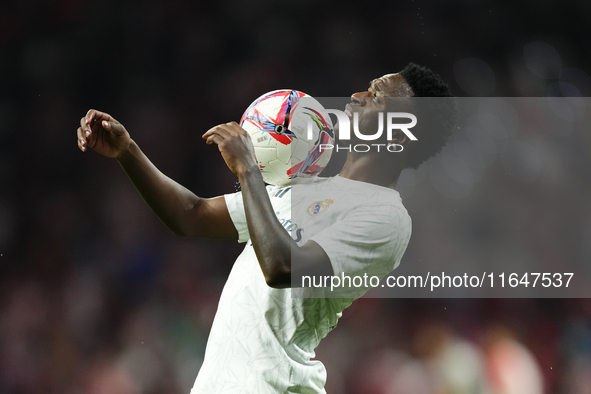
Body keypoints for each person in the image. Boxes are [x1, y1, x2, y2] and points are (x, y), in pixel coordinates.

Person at [76, 63, 457, 393]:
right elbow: (190, 215)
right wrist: (128, 152)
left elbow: (283, 269)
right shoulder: (305, 184)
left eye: (376, 96)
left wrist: (249, 172)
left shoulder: (387, 217)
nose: (357, 95)